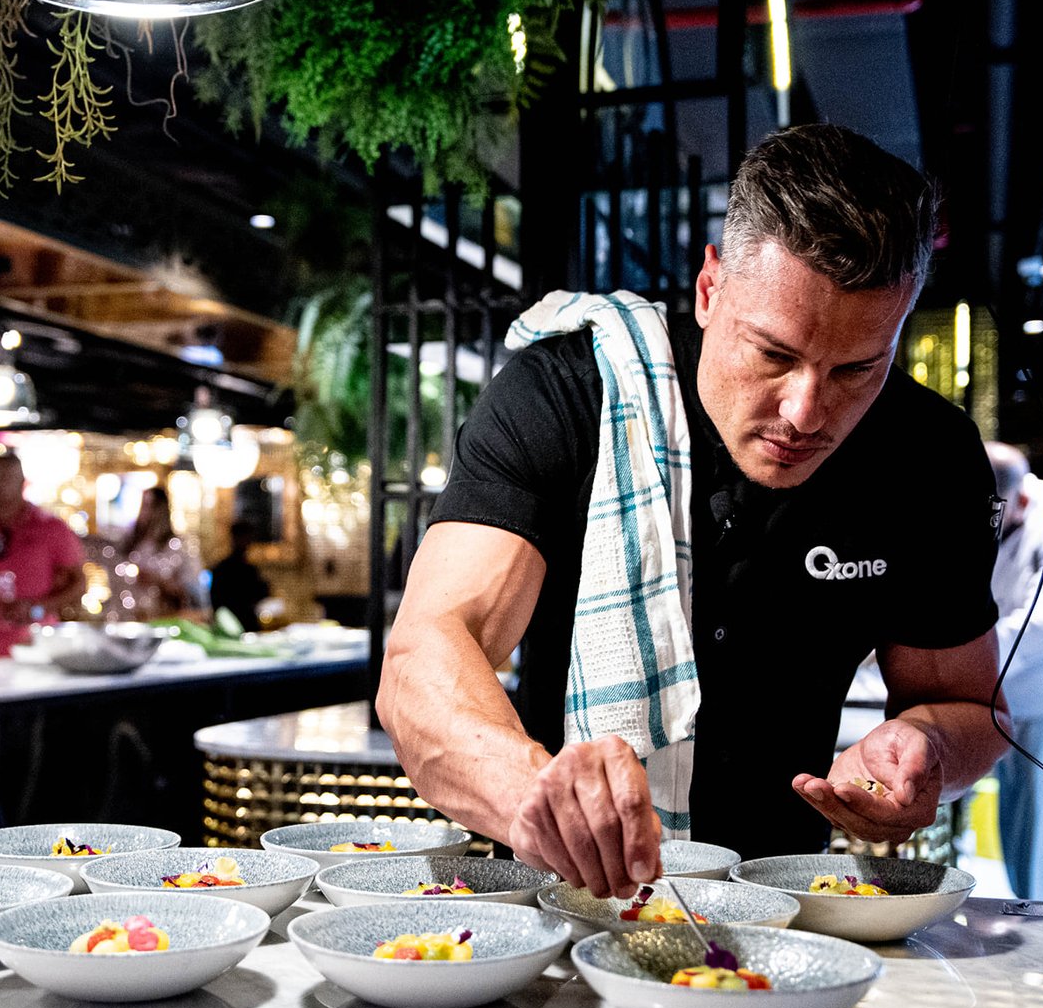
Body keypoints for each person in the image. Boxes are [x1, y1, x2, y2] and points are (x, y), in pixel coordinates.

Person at [379, 124, 1008, 898]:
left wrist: (924, 744)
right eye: (774, 354)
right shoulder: (569, 396)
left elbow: (971, 707)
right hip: (561, 899)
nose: (806, 411)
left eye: (856, 368)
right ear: (710, 289)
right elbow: (423, 657)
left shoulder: (926, 455)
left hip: (791, 903)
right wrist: (535, 800)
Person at [985, 442, 1043, 901]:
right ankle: (1026, 900)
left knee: (1038, 818)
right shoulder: (982, 507)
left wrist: (966, 655)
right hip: (996, 687)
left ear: (1021, 497)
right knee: (1014, 815)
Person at [0, 452, 88, 659]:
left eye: (5, 478)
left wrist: (37, 608)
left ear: (21, 484)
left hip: (37, 653)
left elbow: (79, 584)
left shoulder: (51, 528)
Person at [93, 486, 203, 620]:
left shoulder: (179, 546)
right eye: (142, 506)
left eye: (148, 506)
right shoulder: (129, 543)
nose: (144, 512)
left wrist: (159, 581)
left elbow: (192, 590)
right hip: (127, 617)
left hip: (163, 617)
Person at [208, 519, 272, 632]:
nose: (247, 542)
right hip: (235, 625)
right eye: (244, 538)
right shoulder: (224, 568)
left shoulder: (249, 568)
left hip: (246, 625)